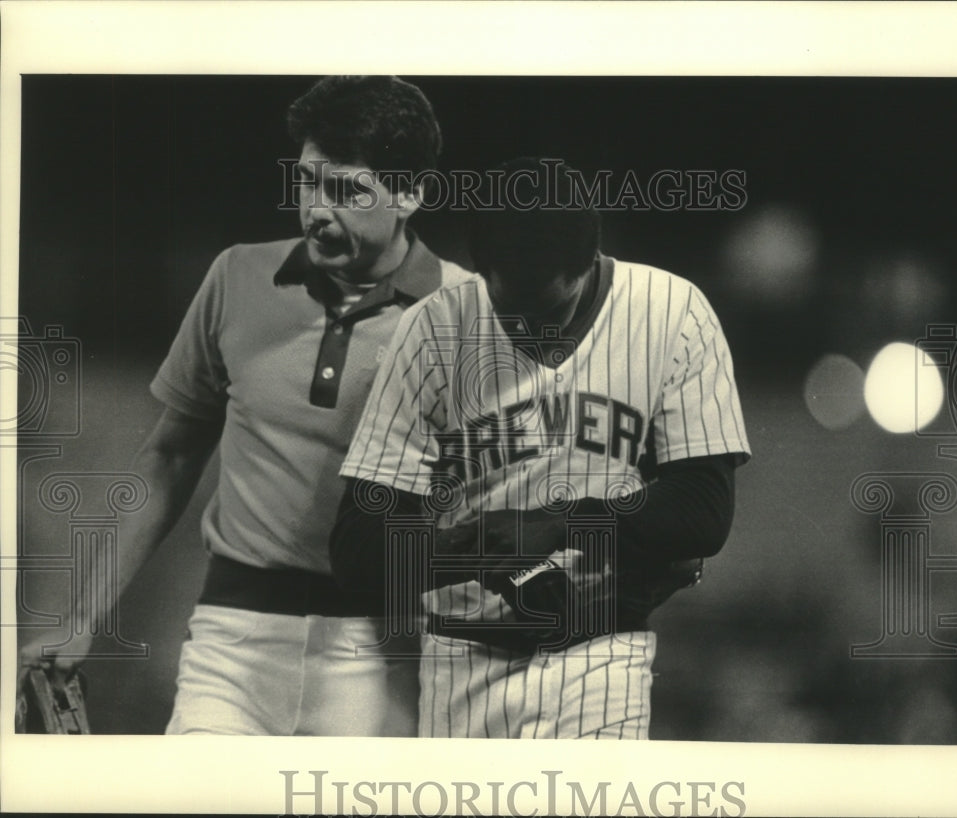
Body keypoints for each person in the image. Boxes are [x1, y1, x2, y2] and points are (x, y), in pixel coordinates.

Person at [19, 75, 471, 736]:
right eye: (310, 181)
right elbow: (170, 459)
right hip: (230, 641)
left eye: (347, 191)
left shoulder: (470, 315)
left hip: (373, 654)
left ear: (409, 194)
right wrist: (84, 621)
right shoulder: (236, 278)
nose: (318, 209)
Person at [330, 157, 751, 739]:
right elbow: (357, 547)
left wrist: (556, 524)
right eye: (512, 314)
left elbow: (703, 511)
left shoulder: (670, 311)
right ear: (483, 273)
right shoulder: (435, 329)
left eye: (550, 310)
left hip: (600, 651)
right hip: (460, 658)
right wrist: (480, 552)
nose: (534, 333)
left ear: (589, 266)